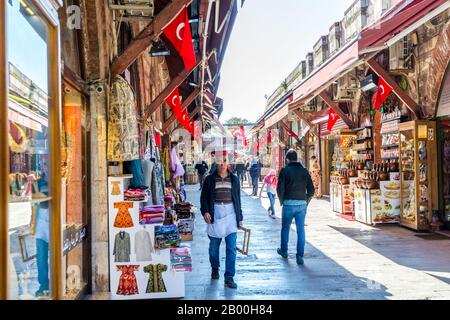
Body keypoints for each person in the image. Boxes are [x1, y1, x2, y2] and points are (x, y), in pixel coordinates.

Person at [200, 151, 243, 289]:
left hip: (231, 215)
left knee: (231, 248)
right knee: (214, 248)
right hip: (215, 214)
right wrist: (206, 211)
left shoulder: (235, 179)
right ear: (215, 162)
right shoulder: (209, 179)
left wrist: (240, 217)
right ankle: (214, 268)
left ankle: (229, 277)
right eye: (220, 161)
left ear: (228, 162)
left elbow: (238, 199)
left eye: (225, 160)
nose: (222, 164)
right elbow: (204, 198)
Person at [276, 149, 314, 265]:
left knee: (285, 228)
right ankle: (299, 256)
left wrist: (282, 200)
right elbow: (311, 190)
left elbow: (279, 188)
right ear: (297, 158)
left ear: (287, 159)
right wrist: (305, 201)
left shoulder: (284, 171)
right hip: (301, 205)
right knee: (301, 231)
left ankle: (284, 251)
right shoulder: (304, 171)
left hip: (288, 204)